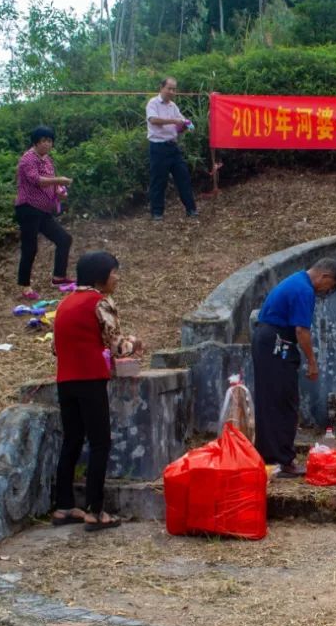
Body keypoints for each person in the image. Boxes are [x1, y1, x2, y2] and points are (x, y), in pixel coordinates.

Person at [51, 251, 143, 531]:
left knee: (72, 440)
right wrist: (135, 344)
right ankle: (95, 510)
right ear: (100, 276)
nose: (117, 278)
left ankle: (64, 506)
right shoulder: (100, 302)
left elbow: (55, 348)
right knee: (100, 442)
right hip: (90, 379)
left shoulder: (64, 304)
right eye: (114, 273)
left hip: (65, 380)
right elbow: (117, 346)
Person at [251, 258, 336, 477]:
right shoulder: (304, 290)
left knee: (271, 401)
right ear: (324, 276)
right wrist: (312, 361)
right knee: (284, 401)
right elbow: (302, 330)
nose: (325, 291)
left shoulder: (297, 280)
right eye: (328, 286)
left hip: (268, 341)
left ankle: (270, 457)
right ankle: (283, 460)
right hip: (276, 344)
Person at [15, 126, 74, 301]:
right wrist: (59, 180)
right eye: (43, 141)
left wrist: (60, 191)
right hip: (28, 208)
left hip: (43, 210)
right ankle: (25, 287)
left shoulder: (47, 160)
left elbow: (52, 183)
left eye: (49, 141)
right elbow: (38, 181)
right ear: (35, 142)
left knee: (64, 239)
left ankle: (59, 277)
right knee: (30, 247)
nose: (47, 144)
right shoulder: (28, 159)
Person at [146, 77, 198, 220]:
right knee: (159, 181)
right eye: (169, 88)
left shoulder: (173, 106)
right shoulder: (153, 103)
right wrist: (174, 120)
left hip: (172, 146)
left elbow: (180, 124)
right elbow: (153, 120)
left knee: (183, 177)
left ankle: (191, 209)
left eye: (174, 89)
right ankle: (157, 213)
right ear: (161, 88)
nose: (172, 92)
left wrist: (185, 126)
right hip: (158, 147)